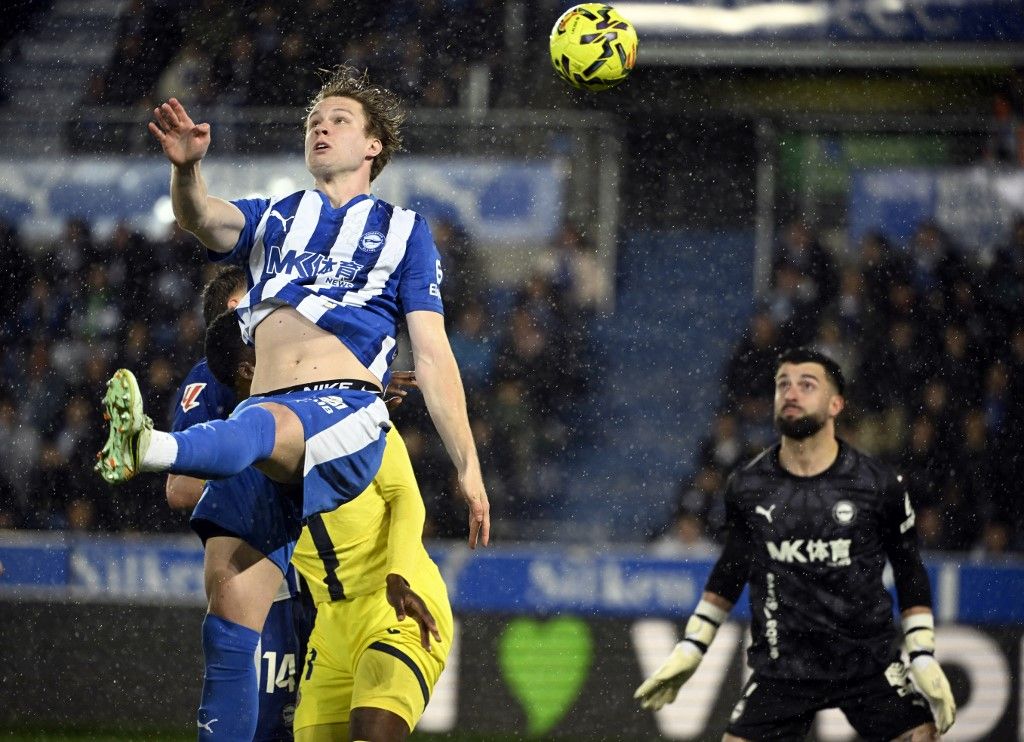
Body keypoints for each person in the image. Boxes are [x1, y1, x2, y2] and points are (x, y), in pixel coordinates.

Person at [95, 65, 487, 738]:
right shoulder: (277, 218)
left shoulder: (403, 231)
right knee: (226, 613)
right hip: (270, 431)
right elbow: (201, 219)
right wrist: (187, 171)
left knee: (260, 421)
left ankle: (152, 446)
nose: (321, 126)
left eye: (338, 119)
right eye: (314, 120)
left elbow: (434, 352)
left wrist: (468, 467)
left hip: (343, 414)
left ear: (373, 148)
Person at [635, 348, 956, 741]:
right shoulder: (747, 486)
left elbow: (908, 567)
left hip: (867, 666)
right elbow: (731, 569)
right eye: (783, 384)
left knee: (923, 737)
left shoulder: (878, 484)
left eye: (807, 385)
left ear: (835, 404)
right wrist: (692, 646)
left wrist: (921, 652)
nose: (791, 392)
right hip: (783, 670)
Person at [203, 309, 449, 742]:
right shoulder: (246, 445)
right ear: (249, 371)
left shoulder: (349, 411)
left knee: (372, 733)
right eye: (268, 341)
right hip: (331, 626)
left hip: (395, 602)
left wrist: (398, 574)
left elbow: (406, 497)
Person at [166, 266, 306, 741]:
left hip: (325, 565)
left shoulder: (297, 365)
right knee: (273, 716)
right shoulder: (209, 382)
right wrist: (257, 460)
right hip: (267, 561)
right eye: (241, 317)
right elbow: (179, 489)